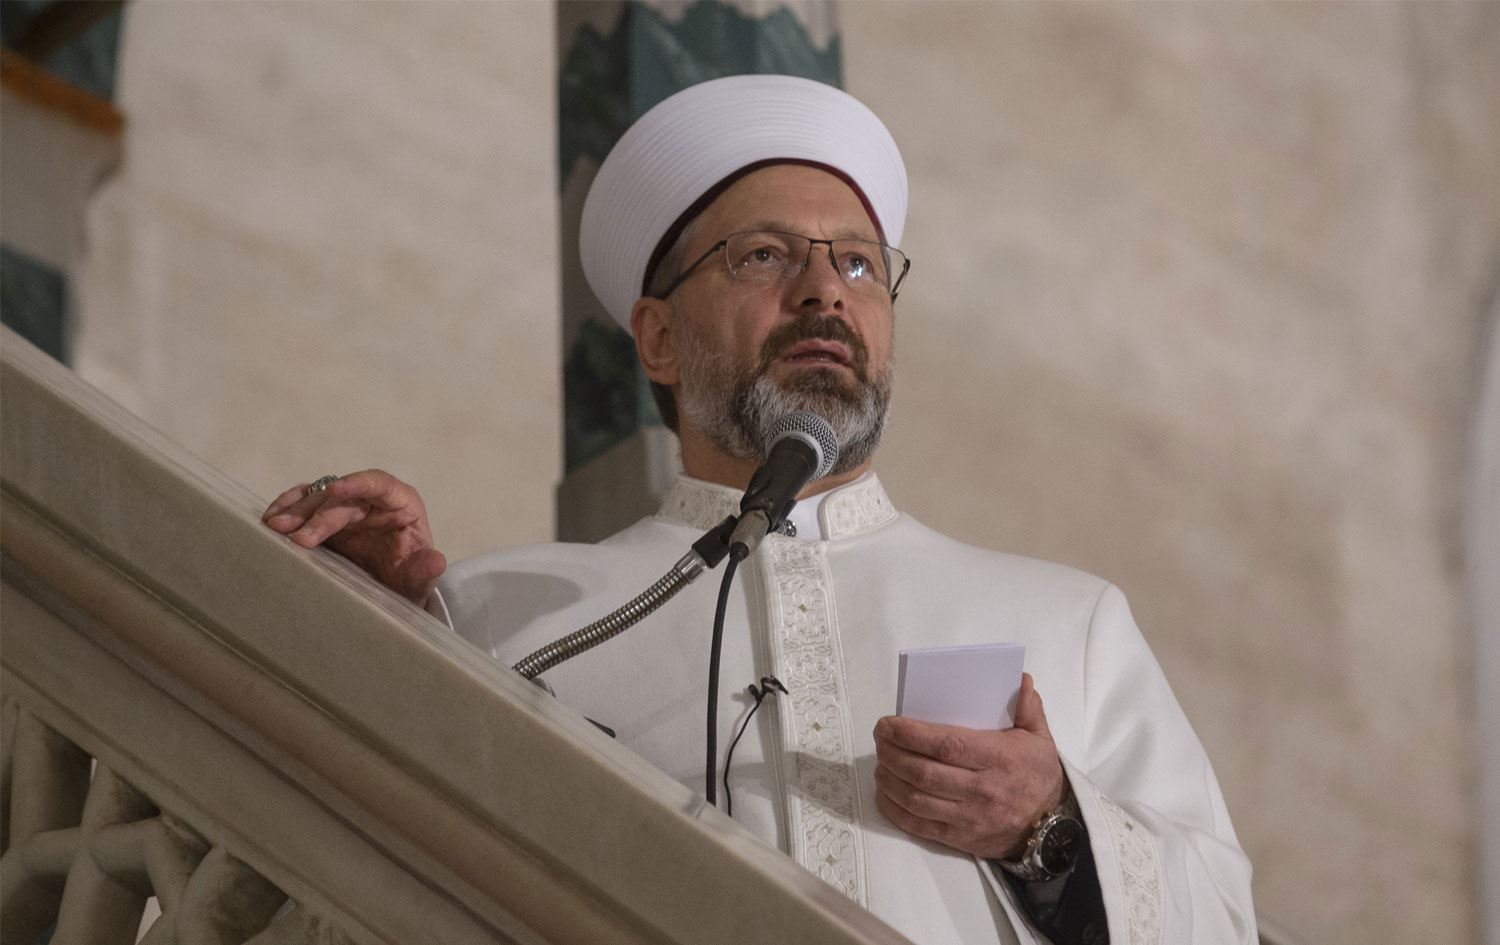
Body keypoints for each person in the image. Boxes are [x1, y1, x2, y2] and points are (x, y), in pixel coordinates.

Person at [263, 75, 1256, 945]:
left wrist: (1050, 830)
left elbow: (1224, 920)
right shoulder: (507, 617)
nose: (826, 292)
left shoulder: (1068, 623)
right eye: (764, 257)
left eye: (860, 263)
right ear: (658, 338)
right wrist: (375, 639)